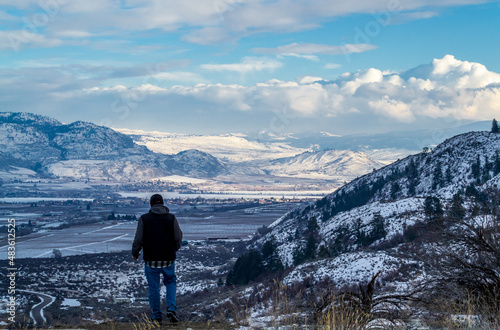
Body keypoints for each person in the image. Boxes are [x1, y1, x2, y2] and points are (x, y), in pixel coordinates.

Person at [132, 194, 183, 324]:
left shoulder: (144, 219)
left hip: (150, 259)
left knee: (154, 288)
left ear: (151, 205)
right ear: (163, 204)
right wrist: (174, 249)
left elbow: (138, 238)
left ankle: (156, 316)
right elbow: (178, 236)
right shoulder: (171, 218)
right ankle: (171, 309)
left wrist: (135, 253)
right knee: (171, 283)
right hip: (168, 258)